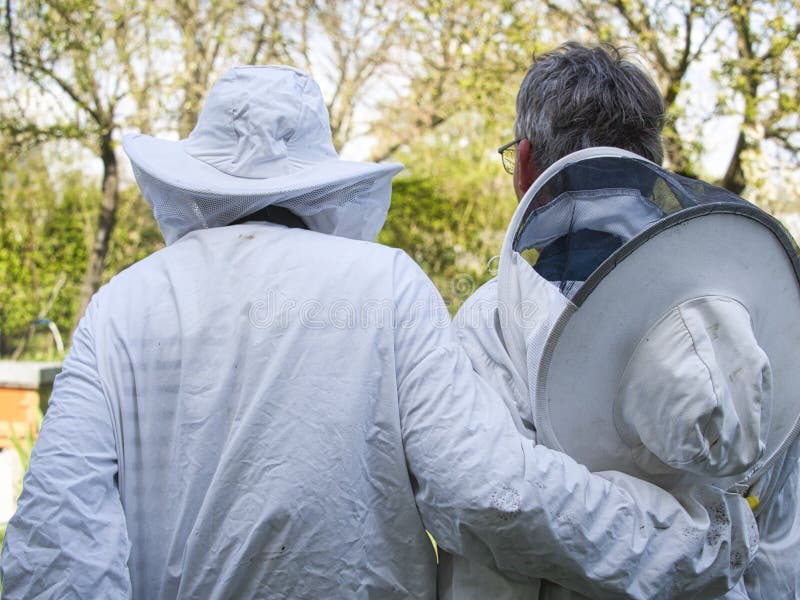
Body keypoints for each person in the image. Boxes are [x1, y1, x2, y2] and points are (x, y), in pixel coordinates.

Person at [1, 65, 760, 599]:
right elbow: (485, 491)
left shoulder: (121, 307)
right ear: (314, 176)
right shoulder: (384, 286)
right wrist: (688, 540)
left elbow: (59, 542)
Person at [441, 42, 800, 599]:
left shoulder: (493, 321)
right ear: (650, 165)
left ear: (529, 164)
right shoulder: (750, 309)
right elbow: (779, 546)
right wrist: (714, 535)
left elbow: (487, 518)